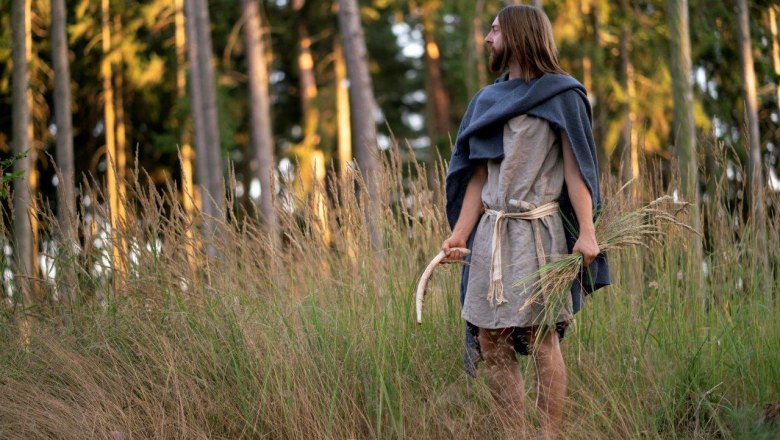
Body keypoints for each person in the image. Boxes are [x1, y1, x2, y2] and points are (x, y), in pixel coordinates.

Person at [441, 5, 610, 437]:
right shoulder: (487, 100)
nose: (487, 39)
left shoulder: (562, 95)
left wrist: (587, 233)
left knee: (539, 338)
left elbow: (577, 172)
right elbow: (478, 176)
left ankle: (548, 434)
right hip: (491, 235)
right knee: (490, 341)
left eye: (495, 31)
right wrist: (459, 234)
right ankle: (514, 434)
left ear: (517, 35)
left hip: (539, 233)